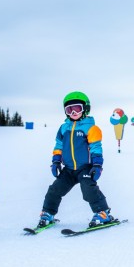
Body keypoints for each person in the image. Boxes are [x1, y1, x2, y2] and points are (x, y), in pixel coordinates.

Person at [38, 91, 113, 228]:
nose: (73, 113)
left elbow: (96, 147)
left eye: (77, 108)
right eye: (69, 109)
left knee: (89, 190)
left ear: (85, 109)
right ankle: (48, 213)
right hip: (68, 168)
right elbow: (58, 145)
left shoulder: (91, 128)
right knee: (54, 190)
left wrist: (97, 165)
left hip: (85, 167)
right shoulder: (63, 128)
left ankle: (103, 213)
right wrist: (56, 161)